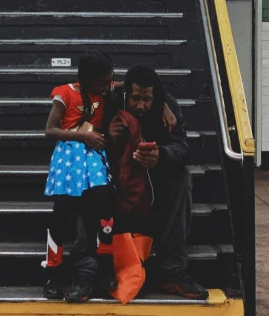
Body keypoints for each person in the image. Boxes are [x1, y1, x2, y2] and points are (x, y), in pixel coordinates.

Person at [108, 65, 209, 300]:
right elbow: (85, 100)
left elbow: (183, 148)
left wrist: (160, 155)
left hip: (153, 177)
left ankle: (172, 269)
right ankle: (94, 264)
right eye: (136, 99)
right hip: (116, 175)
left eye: (147, 99)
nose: (142, 105)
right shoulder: (111, 101)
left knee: (182, 176)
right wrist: (106, 134)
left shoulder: (168, 105)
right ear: (125, 94)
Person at [42, 52, 118, 303]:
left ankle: (106, 262)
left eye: (110, 81)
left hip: (94, 153)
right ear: (84, 80)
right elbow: (50, 130)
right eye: (100, 84)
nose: (106, 87)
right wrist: (82, 137)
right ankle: (52, 272)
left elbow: (137, 82)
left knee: (104, 199)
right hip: (70, 155)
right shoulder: (65, 93)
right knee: (62, 210)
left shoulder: (106, 88)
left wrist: (163, 105)